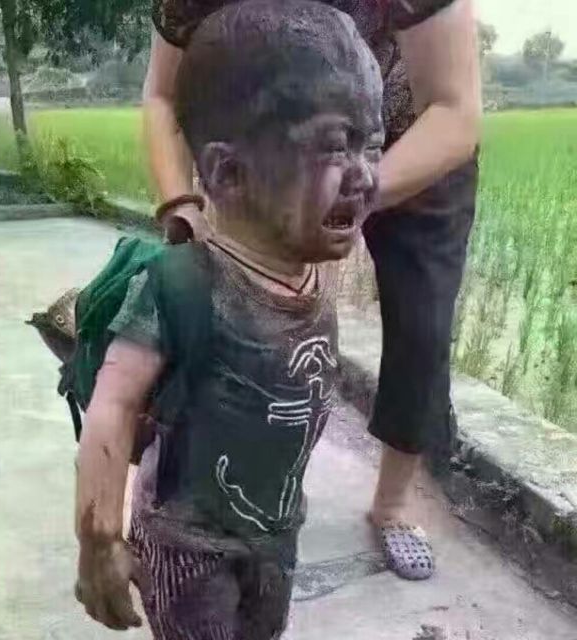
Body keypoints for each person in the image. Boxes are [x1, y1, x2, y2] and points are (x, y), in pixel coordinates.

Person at [75, 1, 384, 635]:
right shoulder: (182, 283)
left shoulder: (311, 276)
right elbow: (113, 405)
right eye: (334, 149)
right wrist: (99, 542)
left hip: (277, 534)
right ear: (228, 171)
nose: (363, 176)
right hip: (188, 548)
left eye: (371, 146)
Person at [145, 0, 481, 580]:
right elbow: (163, 97)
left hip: (410, 135)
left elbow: (455, 110)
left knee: (423, 328)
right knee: (240, 316)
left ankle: (392, 506)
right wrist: (180, 202)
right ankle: (239, 481)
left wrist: (345, 192)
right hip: (272, 150)